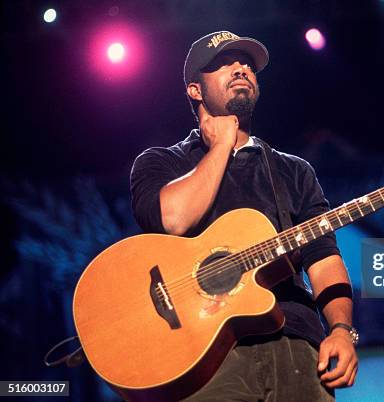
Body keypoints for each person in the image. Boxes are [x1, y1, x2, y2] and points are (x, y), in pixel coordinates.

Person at [129, 31, 359, 401]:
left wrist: (342, 330)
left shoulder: (293, 171)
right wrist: (222, 144)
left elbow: (324, 260)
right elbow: (173, 220)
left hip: (296, 345)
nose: (241, 68)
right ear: (195, 90)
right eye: (223, 62)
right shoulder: (161, 162)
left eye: (247, 63)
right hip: (204, 353)